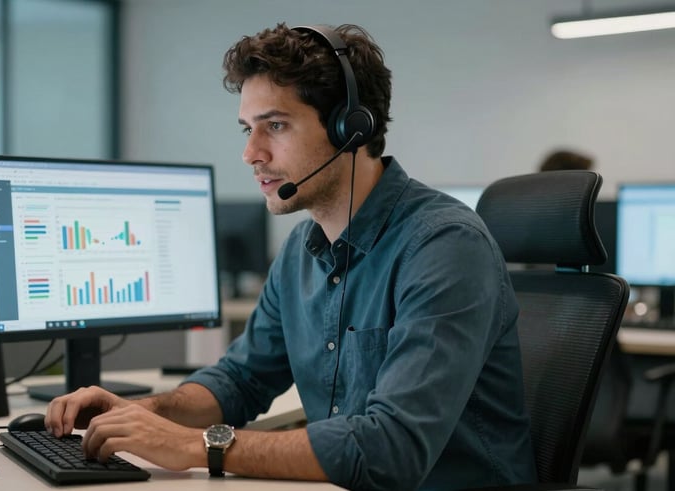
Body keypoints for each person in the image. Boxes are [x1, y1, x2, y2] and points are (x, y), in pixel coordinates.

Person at [45, 23, 538, 490]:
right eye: (247, 130)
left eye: (275, 125)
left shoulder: (444, 245)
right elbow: (239, 382)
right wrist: (141, 413)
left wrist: (197, 446)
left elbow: (392, 448)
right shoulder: (302, 252)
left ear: (352, 129)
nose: (251, 153)